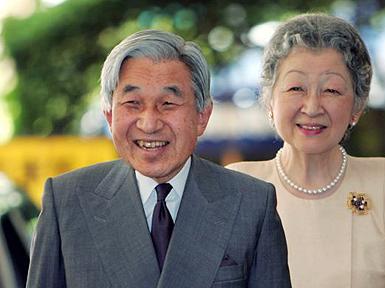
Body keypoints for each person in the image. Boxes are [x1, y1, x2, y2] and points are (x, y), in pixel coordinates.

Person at [26, 30, 291, 288]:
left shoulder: (252, 203)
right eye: (132, 103)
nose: (149, 123)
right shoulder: (67, 202)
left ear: (202, 116)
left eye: (167, 104)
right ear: (109, 115)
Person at [227, 13, 385, 287]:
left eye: (331, 90)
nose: (313, 107)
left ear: (357, 106)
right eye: (296, 87)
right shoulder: (234, 187)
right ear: (270, 99)